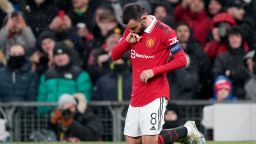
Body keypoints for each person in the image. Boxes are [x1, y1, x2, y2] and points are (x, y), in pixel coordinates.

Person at [111, 3, 205, 144]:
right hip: (136, 94)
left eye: (134, 28)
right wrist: (126, 42)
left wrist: (154, 71)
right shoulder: (130, 30)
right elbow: (114, 55)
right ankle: (186, 130)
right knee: (134, 142)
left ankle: (187, 131)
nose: (132, 31)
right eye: (129, 28)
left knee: (149, 141)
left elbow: (182, 60)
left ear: (143, 19)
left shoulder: (165, 32)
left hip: (156, 93)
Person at [37, 42, 92, 113]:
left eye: (63, 54)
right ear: (53, 58)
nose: (60, 57)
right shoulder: (47, 75)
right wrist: (41, 114)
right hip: (50, 116)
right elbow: (42, 96)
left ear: (69, 56)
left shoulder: (80, 74)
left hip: (71, 117)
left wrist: (77, 113)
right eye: (57, 55)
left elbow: (84, 96)